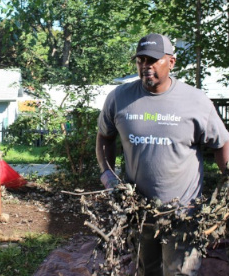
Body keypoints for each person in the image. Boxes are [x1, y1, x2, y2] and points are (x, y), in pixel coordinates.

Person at [96, 33, 229, 275]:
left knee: (179, 272)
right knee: (146, 270)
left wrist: (227, 180)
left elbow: (221, 143)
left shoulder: (196, 101)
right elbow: (105, 137)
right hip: (138, 211)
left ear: (171, 62)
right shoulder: (119, 98)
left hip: (183, 215)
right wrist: (108, 175)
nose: (146, 66)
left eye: (153, 60)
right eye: (141, 60)